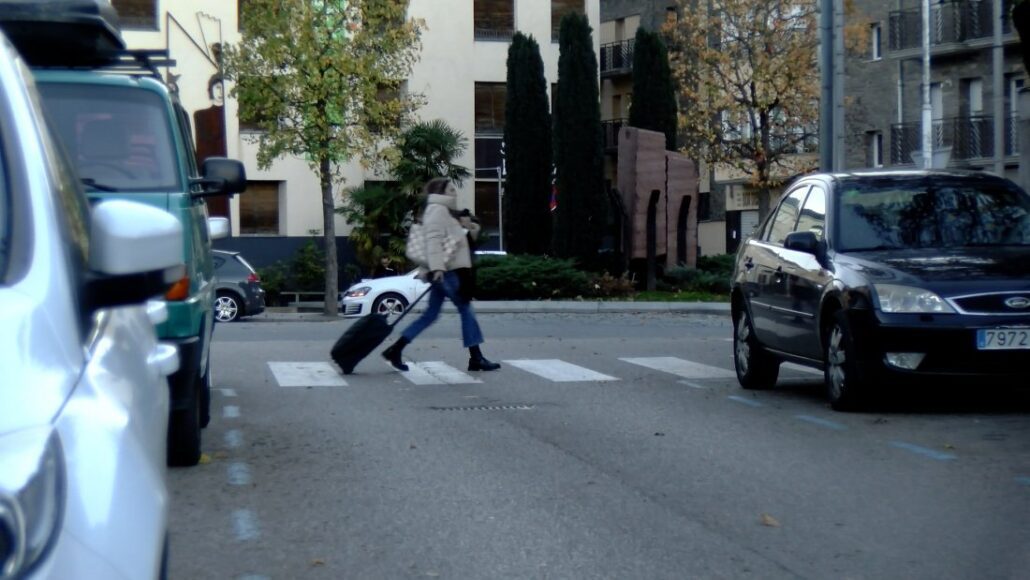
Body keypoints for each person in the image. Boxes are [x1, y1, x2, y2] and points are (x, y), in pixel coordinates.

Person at [381, 178, 500, 372]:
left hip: (444, 271)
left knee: (431, 315)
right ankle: (476, 358)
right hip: (447, 272)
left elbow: (462, 241)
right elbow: (433, 241)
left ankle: (396, 349)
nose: (455, 192)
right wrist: (437, 268)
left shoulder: (446, 212)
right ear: (441, 191)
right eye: (451, 189)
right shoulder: (437, 210)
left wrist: (467, 224)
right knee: (465, 309)